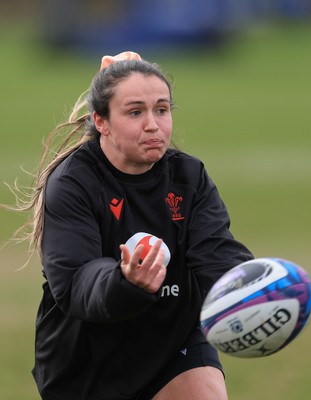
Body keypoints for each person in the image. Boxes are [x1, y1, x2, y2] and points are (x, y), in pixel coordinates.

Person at [10, 51, 254, 400]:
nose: (153, 124)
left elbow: (216, 252)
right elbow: (76, 281)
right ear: (101, 121)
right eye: (135, 112)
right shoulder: (72, 183)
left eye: (162, 109)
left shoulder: (189, 176)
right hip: (86, 361)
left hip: (174, 342)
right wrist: (125, 283)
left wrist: (251, 287)